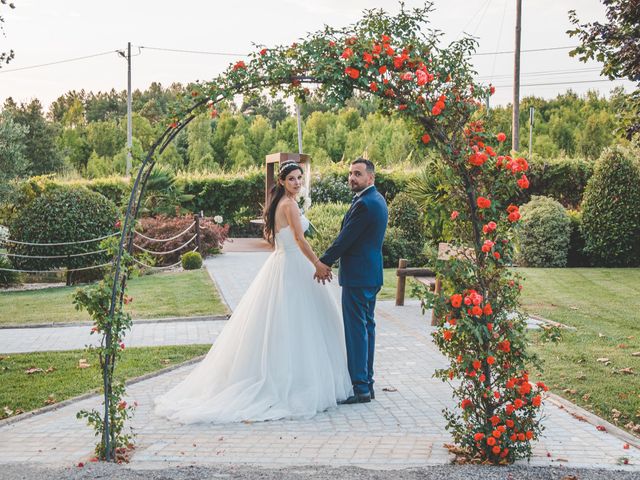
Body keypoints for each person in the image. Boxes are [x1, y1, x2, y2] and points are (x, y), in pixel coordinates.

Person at [154, 161, 352, 423]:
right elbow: (300, 239)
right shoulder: (289, 205)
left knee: (287, 323)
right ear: (281, 181)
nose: (297, 183)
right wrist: (317, 263)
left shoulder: (277, 204)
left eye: (299, 178)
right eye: (292, 178)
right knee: (300, 323)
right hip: (293, 265)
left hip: (283, 263)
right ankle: (298, 383)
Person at [315, 158, 388, 404]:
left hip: (359, 276)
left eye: (357, 174)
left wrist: (323, 261)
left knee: (357, 331)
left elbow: (345, 238)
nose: (352, 178)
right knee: (367, 328)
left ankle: (360, 388)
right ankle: (367, 383)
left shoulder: (366, 204)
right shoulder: (375, 199)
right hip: (369, 274)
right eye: (350, 173)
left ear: (371, 178)